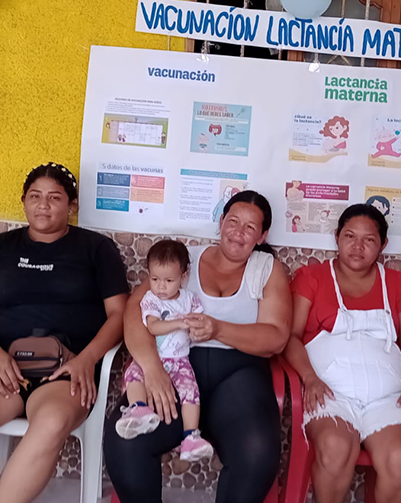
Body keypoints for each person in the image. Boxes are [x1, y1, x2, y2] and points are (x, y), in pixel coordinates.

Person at [0, 162, 129, 503]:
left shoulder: (96, 249)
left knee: (52, 420)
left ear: (71, 205)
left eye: (55, 197)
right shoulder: (0, 247)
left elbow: (119, 315)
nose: (43, 205)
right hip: (2, 366)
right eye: (35, 196)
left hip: (67, 370)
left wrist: (87, 359)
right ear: (24, 201)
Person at [104, 190, 292, 503]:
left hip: (239, 378)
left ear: (262, 236)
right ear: (221, 222)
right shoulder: (184, 260)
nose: (238, 232)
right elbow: (136, 311)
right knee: (126, 441)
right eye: (233, 221)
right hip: (174, 369)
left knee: (257, 452)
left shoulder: (266, 269)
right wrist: (152, 368)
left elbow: (276, 338)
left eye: (250, 227)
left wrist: (218, 329)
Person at [284, 204, 401, 503]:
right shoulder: (312, 277)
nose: (358, 246)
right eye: (349, 236)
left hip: (388, 397)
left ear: (383, 244)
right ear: (337, 236)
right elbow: (291, 337)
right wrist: (310, 378)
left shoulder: (396, 284)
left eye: (369, 239)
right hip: (330, 393)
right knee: (335, 448)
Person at [116, 239, 214, 462]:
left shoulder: (190, 299)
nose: (161, 286)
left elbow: (199, 321)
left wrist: (196, 328)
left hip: (180, 360)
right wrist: (179, 323)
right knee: (133, 374)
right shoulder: (151, 300)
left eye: (169, 281)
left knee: (191, 391)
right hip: (156, 357)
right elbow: (153, 327)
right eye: (155, 279)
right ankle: (138, 409)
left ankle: (190, 437)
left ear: (183, 277)